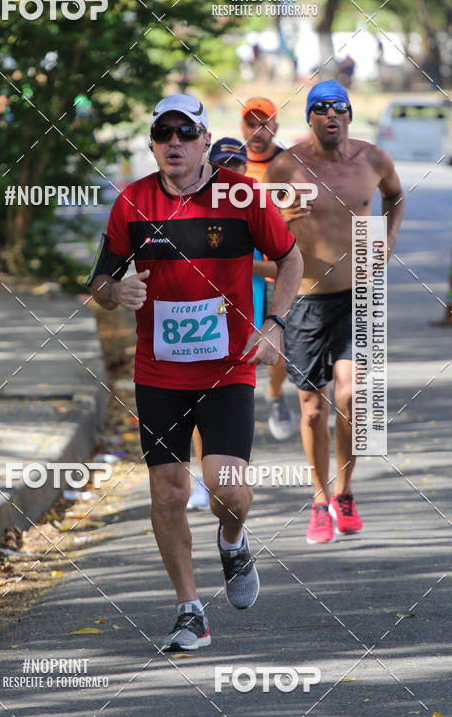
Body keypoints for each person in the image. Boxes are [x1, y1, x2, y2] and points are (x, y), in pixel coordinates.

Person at [89, 93, 303, 649]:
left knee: (227, 488)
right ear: (154, 143)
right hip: (158, 371)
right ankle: (190, 611)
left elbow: (291, 257)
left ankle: (232, 541)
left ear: (207, 139)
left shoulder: (241, 195)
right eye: (164, 134)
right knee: (166, 489)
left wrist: (275, 323)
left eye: (187, 133)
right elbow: (98, 285)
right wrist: (117, 290)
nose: (175, 143)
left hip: (227, 367)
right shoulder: (132, 203)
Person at [263, 80, 405, 544]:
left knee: (351, 397)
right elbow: (263, 229)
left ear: (348, 115)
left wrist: (389, 235)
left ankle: (345, 493)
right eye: (320, 109)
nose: (330, 115)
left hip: (359, 295)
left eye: (338, 108)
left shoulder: (373, 160)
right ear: (309, 118)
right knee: (311, 411)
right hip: (305, 301)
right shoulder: (286, 166)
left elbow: (395, 196)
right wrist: (279, 238)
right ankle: (320, 500)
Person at [186, 137, 249, 512]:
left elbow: (286, 262)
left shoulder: (255, 204)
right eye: (222, 163)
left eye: (236, 164)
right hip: (207, 321)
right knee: (200, 402)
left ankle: (230, 473)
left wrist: (239, 262)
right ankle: (206, 476)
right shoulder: (195, 204)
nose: (229, 172)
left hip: (252, 314)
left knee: (237, 402)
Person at [241, 98, 294, 441]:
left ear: (276, 127)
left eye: (265, 123)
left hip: (278, 263)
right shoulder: (230, 161)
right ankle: (232, 406)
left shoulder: (290, 165)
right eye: (251, 123)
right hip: (237, 266)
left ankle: (275, 393)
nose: (257, 131)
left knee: (281, 347)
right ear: (241, 126)